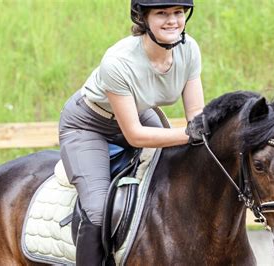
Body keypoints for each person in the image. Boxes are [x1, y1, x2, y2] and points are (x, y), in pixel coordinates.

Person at [58, 0, 204, 264]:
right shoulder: (117, 61)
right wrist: (191, 134)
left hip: (136, 111)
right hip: (89, 123)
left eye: (178, 13)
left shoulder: (189, 49)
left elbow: (196, 116)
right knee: (98, 211)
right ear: (143, 18)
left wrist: (201, 136)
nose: (172, 20)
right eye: (162, 13)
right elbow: (135, 135)